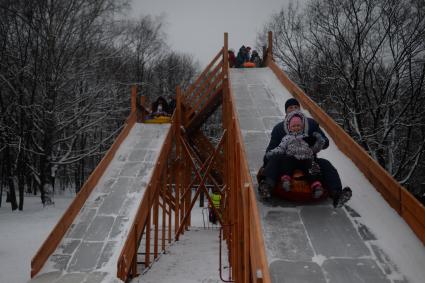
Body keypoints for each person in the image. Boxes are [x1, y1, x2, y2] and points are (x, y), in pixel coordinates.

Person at [258, 98, 352, 208]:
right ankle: (267, 187)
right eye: (290, 108)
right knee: (275, 158)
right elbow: (272, 148)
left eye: (296, 107)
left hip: (308, 159)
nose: (293, 109)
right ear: (286, 111)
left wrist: (320, 141)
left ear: (299, 109)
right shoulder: (279, 128)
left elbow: (325, 142)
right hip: (287, 160)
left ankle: (336, 194)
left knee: (325, 164)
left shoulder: (311, 124)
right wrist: (266, 163)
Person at [264, 110, 324, 198]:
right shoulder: (287, 138)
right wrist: (271, 153)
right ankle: (286, 180)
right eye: (294, 126)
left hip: (305, 159)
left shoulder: (305, 137)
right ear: (290, 127)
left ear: (302, 127)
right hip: (292, 157)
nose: (296, 128)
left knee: (313, 166)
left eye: (298, 126)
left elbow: (313, 150)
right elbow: (281, 148)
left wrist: (319, 142)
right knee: (286, 161)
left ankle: (316, 186)